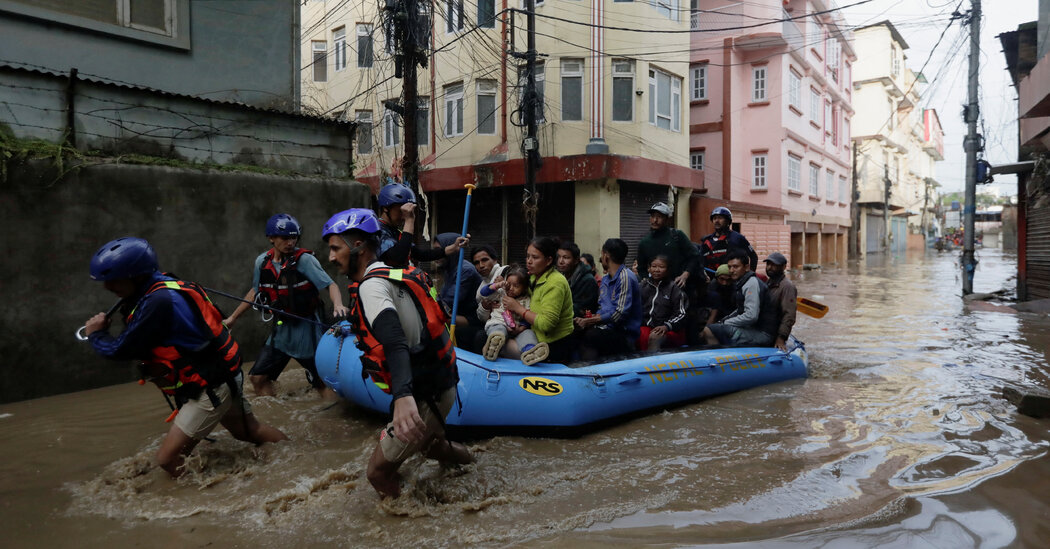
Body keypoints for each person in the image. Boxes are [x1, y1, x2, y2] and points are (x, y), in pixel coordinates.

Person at [83, 237, 287, 478]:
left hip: (211, 386)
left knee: (168, 460)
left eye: (114, 281)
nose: (108, 288)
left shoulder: (157, 302)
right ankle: (294, 454)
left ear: (136, 276)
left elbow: (120, 349)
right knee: (249, 432)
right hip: (221, 376)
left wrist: (97, 334)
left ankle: (217, 502)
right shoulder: (162, 287)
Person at [322, 208, 472, 499]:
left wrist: (403, 396)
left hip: (423, 393)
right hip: (440, 382)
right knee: (433, 447)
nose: (330, 257)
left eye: (334, 248)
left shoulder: (372, 287)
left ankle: (407, 526)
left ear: (358, 246)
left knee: (377, 473)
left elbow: (394, 341)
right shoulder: (388, 272)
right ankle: (472, 464)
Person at [224, 214, 345, 398]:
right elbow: (255, 291)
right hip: (281, 332)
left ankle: (326, 416)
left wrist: (338, 304)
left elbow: (331, 285)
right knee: (257, 378)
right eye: (285, 238)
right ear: (271, 238)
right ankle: (276, 411)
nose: (290, 242)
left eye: (294, 237)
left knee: (322, 384)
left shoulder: (305, 261)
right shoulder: (262, 262)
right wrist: (233, 318)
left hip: (307, 331)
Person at [499, 236, 576, 364]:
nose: (529, 261)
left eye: (535, 257)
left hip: (553, 345)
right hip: (533, 335)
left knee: (496, 343)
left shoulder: (555, 283)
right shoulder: (533, 277)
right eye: (528, 256)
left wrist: (518, 308)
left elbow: (547, 324)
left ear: (548, 260)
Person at [575, 238, 642, 360]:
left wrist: (592, 321)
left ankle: (590, 373)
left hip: (624, 333)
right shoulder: (606, 280)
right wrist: (588, 319)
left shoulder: (625, 276)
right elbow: (602, 308)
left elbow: (620, 314)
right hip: (606, 328)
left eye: (601, 254)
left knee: (590, 336)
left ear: (606, 256)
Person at [375, 180, 468, 268]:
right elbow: (398, 257)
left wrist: (453, 248)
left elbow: (420, 254)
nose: (404, 216)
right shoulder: (376, 230)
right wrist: (409, 220)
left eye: (408, 211)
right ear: (385, 208)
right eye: (401, 211)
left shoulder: (395, 231)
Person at [700, 251, 777, 348]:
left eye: (736, 267)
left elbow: (751, 316)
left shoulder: (751, 284)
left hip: (763, 334)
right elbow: (740, 310)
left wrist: (726, 323)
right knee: (716, 327)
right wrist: (724, 320)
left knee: (708, 330)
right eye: (729, 267)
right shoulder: (742, 282)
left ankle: (719, 359)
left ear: (746, 267)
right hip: (755, 329)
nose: (731, 270)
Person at [479, 267, 549, 365]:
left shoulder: (526, 300)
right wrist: (497, 285)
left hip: (517, 328)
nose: (511, 288)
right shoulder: (500, 293)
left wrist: (521, 328)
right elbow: (483, 292)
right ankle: (494, 345)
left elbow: (527, 318)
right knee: (498, 330)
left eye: (516, 286)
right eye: (508, 285)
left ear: (524, 287)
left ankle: (531, 352)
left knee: (528, 334)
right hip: (499, 323)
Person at [636, 202, 701, 288]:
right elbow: (641, 268)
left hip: (680, 286)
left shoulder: (677, 236)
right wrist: (648, 281)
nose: (655, 220)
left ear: (667, 219)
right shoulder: (644, 242)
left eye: (659, 217)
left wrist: (685, 275)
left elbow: (694, 256)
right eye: (652, 216)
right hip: (657, 290)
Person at [638, 256, 689, 351]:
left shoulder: (674, 288)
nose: (657, 270)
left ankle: (652, 365)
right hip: (646, 326)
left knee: (654, 337)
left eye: (661, 267)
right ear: (649, 268)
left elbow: (682, 314)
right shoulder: (643, 286)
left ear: (668, 269)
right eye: (654, 266)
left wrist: (667, 326)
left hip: (670, 330)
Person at [434, 232, 482, 328]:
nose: (435, 255)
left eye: (439, 250)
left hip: (472, 318)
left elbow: (449, 300)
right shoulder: (450, 269)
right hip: (456, 313)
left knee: (436, 318)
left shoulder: (465, 270)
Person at [699, 207, 758, 273]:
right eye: (715, 218)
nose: (717, 221)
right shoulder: (706, 241)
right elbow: (701, 261)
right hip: (713, 278)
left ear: (728, 221)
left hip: (733, 278)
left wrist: (750, 274)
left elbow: (753, 256)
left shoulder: (738, 238)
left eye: (720, 218)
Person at [763, 252, 797, 351]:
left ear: (783, 267)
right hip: (766, 327)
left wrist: (781, 338)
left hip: (773, 332)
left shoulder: (787, 287)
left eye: (774, 265)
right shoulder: (768, 283)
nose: (769, 267)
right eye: (768, 264)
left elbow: (789, 315)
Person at [556, 241, 599, 318]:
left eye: (566, 258)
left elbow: (583, 310)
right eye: (559, 257)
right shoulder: (559, 275)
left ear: (576, 260)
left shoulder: (588, 280)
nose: (560, 261)